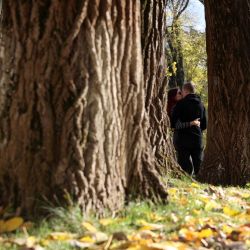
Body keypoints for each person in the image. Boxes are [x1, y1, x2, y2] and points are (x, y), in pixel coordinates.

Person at [171, 82, 207, 176]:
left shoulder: (180, 105)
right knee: (198, 165)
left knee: (185, 168)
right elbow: (204, 125)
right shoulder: (201, 105)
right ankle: (200, 184)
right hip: (197, 139)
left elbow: (173, 123)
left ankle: (185, 183)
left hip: (182, 139)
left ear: (185, 91)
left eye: (182, 91)